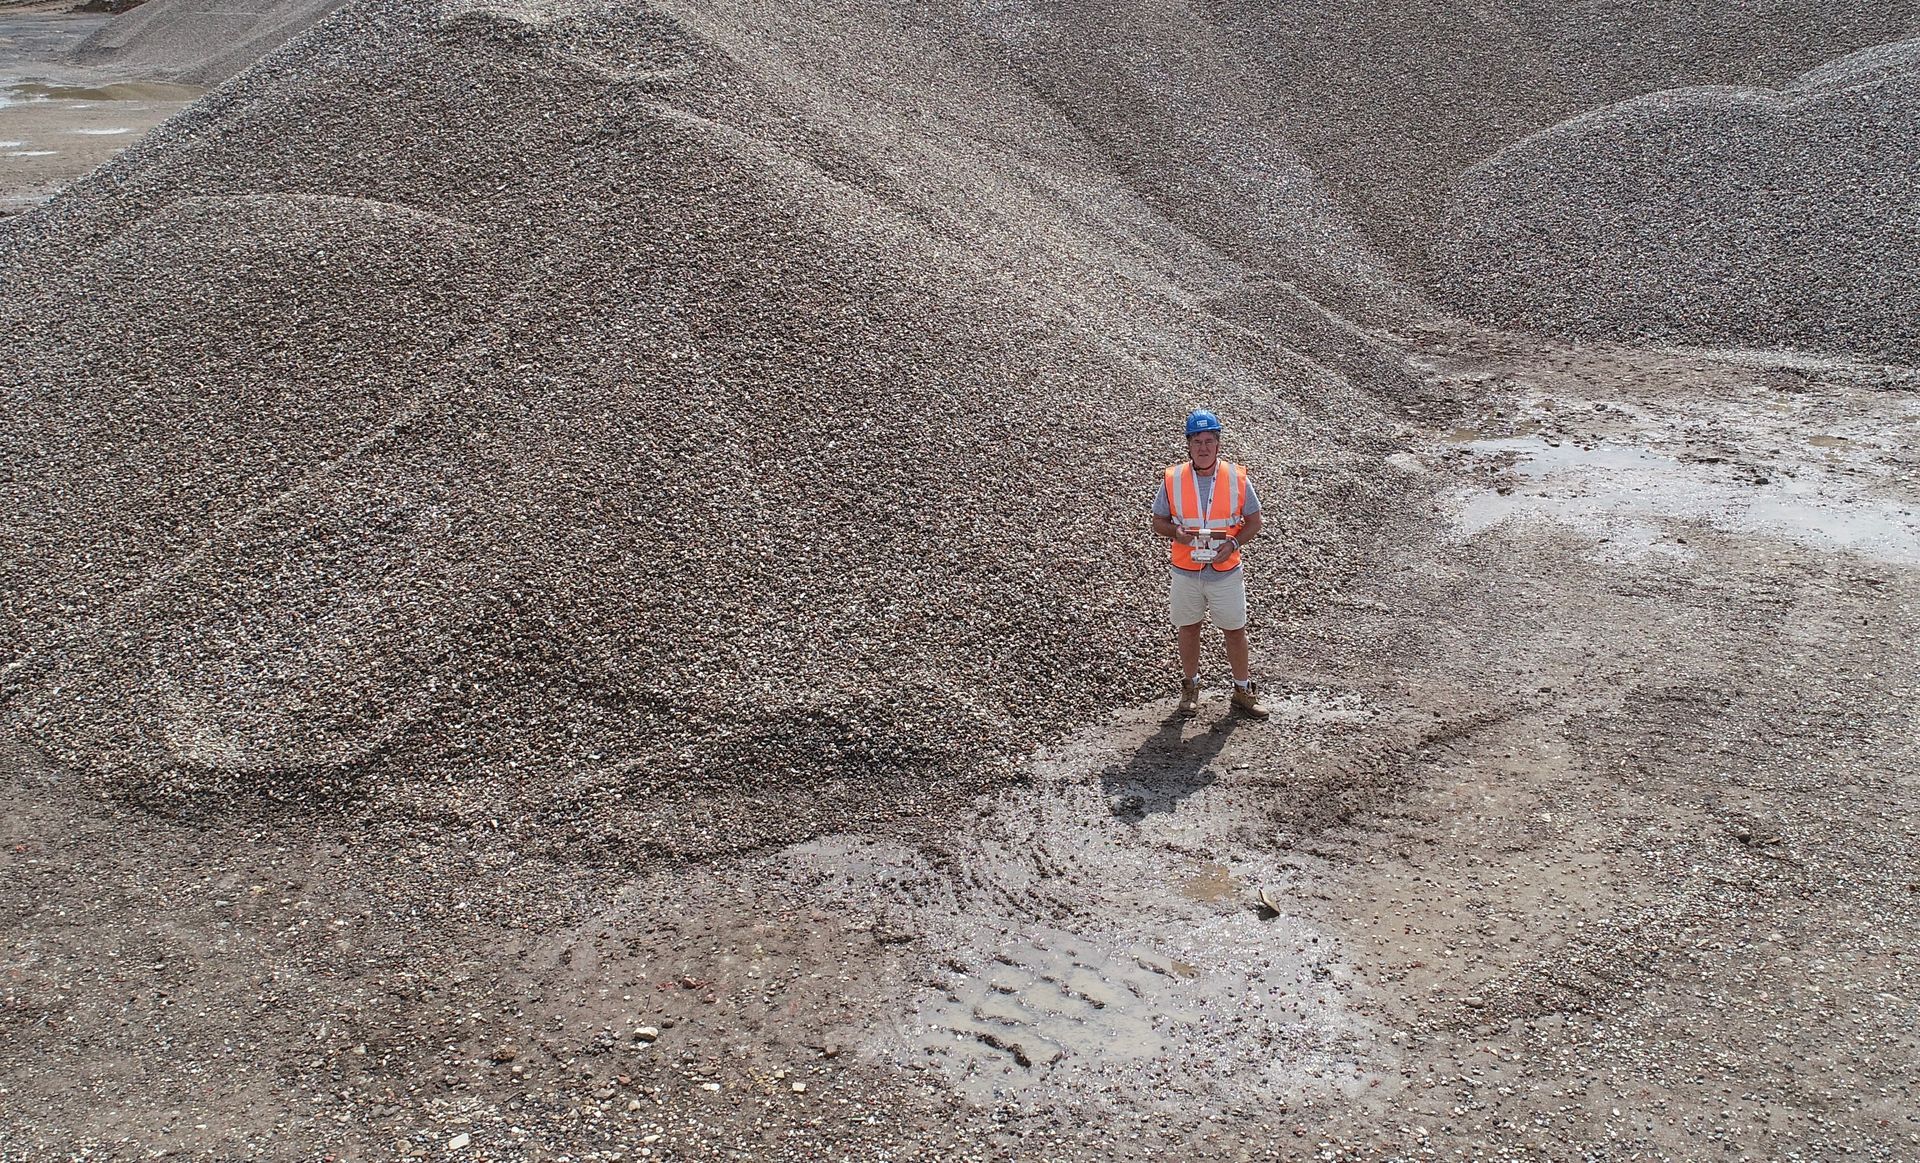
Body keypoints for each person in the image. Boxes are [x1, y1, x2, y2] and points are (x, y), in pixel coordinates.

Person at [1149, 410, 1269, 719]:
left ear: (1218, 444)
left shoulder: (1236, 477)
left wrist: (1233, 543)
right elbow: (1158, 521)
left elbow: (1254, 521)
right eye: (1198, 441)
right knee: (1188, 628)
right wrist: (1176, 532)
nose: (1203, 447)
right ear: (1188, 444)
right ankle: (1190, 688)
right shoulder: (1172, 478)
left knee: (1234, 630)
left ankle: (1242, 691)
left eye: (1209, 441)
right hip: (1186, 570)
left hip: (1225, 569)